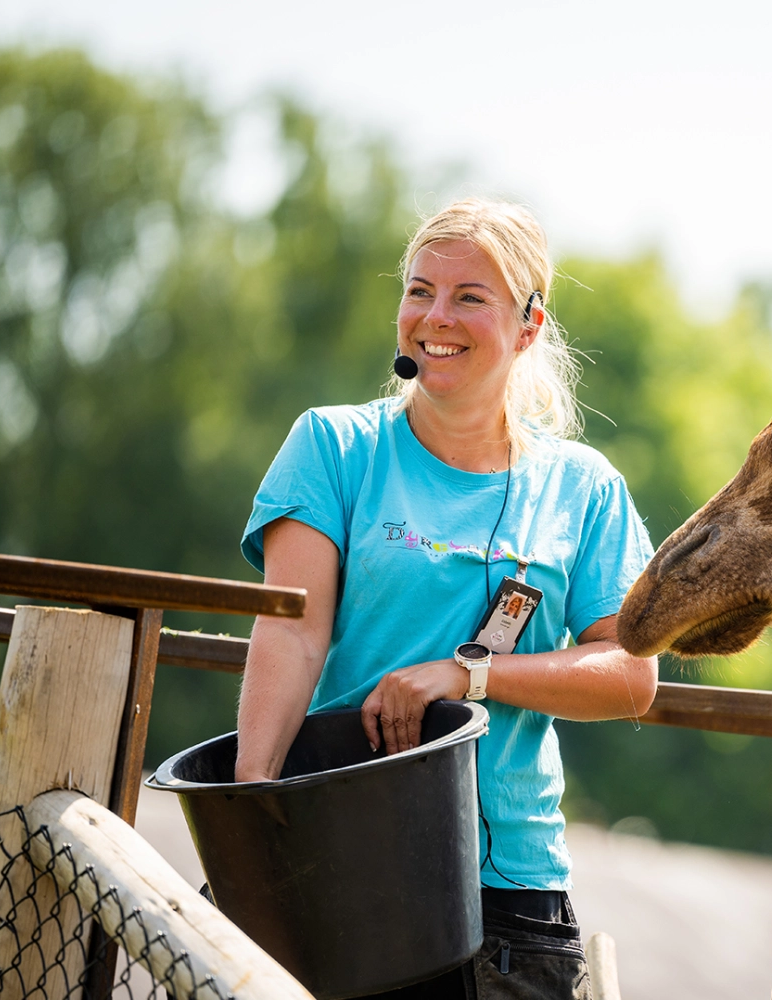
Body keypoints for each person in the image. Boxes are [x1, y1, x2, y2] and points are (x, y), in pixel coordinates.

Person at [234, 198, 659, 999]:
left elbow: (632, 674)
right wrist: (256, 807)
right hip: (341, 862)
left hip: (510, 900)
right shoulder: (332, 446)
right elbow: (290, 634)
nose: (436, 317)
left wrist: (468, 676)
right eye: (419, 290)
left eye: (470, 297)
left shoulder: (584, 488)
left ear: (529, 325)